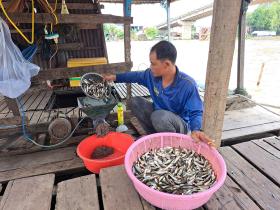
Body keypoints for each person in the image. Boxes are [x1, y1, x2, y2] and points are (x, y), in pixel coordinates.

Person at [103, 40, 214, 145]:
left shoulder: (187, 84)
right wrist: (115, 77)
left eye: (153, 64)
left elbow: (196, 111)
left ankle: (169, 143)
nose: (150, 67)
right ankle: (155, 135)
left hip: (178, 125)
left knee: (159, 116)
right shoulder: (151, 76)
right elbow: (135, 76)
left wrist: (196, 130)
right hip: (159, 116)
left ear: (166, 64)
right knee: (134, 102)